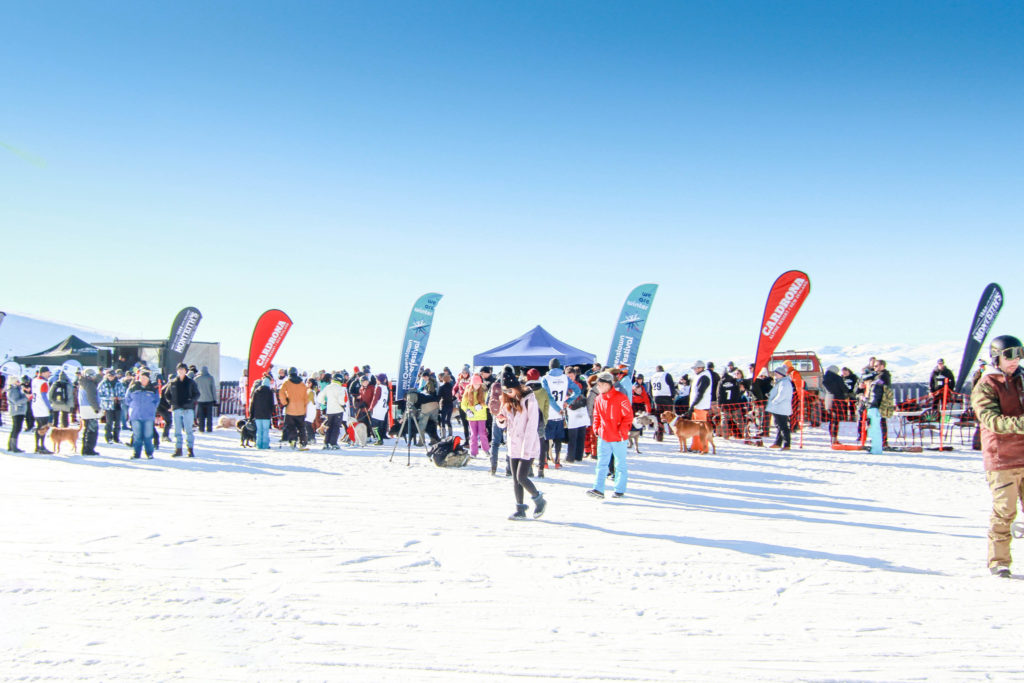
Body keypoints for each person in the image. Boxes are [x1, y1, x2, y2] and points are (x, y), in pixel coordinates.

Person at [972, 334, 1024, 578]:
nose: (1015, 360)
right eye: (1009, 355)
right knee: (1005, 511)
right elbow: (991, 420)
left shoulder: (1022, 379)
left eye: (1019, 354)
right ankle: (999, 561)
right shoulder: (986, 385)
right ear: (997, 357)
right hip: (1002, 459)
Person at [494, 367, 546, 520]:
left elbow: (532, 426)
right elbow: (504, 425)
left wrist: (527, 449)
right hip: (513, 444)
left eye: (510, 391)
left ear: (516, 386)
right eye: (506, 392)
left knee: (522, 477)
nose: (508, 394)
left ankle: (539, 500)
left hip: (527, 444)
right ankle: (520, 508)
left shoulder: (530, 400)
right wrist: (501, 420)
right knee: (515, 479)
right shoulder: (507, 400)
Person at [588, 371, 632, 499]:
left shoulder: (621, 397)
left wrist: (621, 431)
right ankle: (598, 489)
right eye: (597, 385)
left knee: (620, 464)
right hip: (604, 436)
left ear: (608, 384)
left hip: (619, 438)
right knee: (601, 463)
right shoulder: (599, 399)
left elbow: (628, 417)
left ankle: (619, 489)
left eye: (600, 385)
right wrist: (596, 429)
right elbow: (596, 415)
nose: (598, 387)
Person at [541, 358, 579, 470]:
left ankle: (545, 461)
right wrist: (567, 402)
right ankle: (557, 462)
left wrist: (557, 408)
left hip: (549, 413)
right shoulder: (565, 378)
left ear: (550, 367)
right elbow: (577, 391)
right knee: (558, 439)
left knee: (546, 439)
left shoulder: (545, 379)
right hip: (560, 414)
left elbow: (548, 396)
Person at [166, 362, 200, 457]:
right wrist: (171, 403)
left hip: (188, 409)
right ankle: (178, 449)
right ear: (177, 371)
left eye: (183, 369)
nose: (181, 371)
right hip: (177, 409)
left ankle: (190, 449)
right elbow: (167, 394)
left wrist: (191, 401)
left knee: (189, 430)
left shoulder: (191, 382)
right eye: (179, 369)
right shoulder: (173, 382)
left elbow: (197, 394)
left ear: (186, 371)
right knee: (177, 430)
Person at [125, 371, 160, 459]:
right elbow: (127, 400)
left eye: (145, 378)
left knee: (148, 436)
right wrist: (134, 407)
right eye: (142, 377)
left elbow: (157, 401)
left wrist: (151, 409)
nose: (143, 379)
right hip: (135, 415)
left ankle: (149, 453)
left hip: (148, 416)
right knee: (137, 436)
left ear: (148, 379)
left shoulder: (153, 389)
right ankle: (136, 453)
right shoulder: (133, 388)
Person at [278, 366, 309, 450]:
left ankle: (293, 440)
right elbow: (306, 398)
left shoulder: (287, 383)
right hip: (301, 410)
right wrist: (304, 408)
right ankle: (303, 442)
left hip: (290, 410)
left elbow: (281, 393)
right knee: (301, 427)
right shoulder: (302, 384)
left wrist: (285, 402)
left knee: (291, 426)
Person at [461, 374, 490, 458]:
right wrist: (467, 411)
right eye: (475, 384)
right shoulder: (467, 392)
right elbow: (463, 404)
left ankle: (486, 449)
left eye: (478, 384)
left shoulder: (484, 391)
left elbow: (488, 402)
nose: (477, 386)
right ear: (472, 384)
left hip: (481, 416)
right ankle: (473, 452)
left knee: (482, 434)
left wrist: (481, 406)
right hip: (472, 417)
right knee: (473, 434)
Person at [316, 373, 348, 450]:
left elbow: (320, 397)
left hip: (329, 411)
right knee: (336, 427)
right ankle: (333, 443)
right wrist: (343, 404)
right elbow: (341, 400)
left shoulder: (328, 387)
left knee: (329, 427)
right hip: (338, 410)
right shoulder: (340, 388)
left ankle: (326, 443)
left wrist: (324, 402)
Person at [687, 361, 713, 452]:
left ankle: (703, 448)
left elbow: (700, 393)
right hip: (697, 407)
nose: (694, 370)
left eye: (695, 368)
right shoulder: (699, 376)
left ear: (700, 368)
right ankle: (695, 446)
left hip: (701, 407)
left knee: (701, 430)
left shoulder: (704, 377)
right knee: (695, 429)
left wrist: (693, 404)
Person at [76, 369, 103, 456]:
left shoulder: (83, 383)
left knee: (87, 429)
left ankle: (85, 448)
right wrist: (97, 408)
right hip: (90, 408)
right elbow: (91, 397)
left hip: (83, 408)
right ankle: (89, 449)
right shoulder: (89, 384)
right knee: (92, 430)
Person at [766, 367, 793, 450]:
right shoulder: (781, 382)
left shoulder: (784, 383)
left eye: (776, 373)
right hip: (778, 407)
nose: (775, 375)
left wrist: (774, 401)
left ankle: (787, 444)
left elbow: (781, 395)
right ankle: (778, 443)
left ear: (781, 374)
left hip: (781, 407)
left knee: (783, 426)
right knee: (779, 426)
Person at [98, 369, 126, 444]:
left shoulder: (119, 383)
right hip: (108, 406)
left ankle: (116, 438)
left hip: (117, 405)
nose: (111, 377)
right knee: (109, 422)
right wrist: (109, 398)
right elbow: (99, 395)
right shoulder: (103, 384)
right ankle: (108, 437)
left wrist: (120, 397)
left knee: (117, 423)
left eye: (112, 375)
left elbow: (123, 393)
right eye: (109, 375)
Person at [30, 367, 53, 454]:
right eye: (48, 372)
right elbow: (44, 396)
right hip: (42, 408)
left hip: (35, 407)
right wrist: (49, 407)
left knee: (38, 427)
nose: (49, 374)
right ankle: (42, 446)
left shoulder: (34, 380)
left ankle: (37, 446)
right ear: (43, 373)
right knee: (43, 428)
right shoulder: (43, 383)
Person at [649, 365, 676, 439]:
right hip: (667, 397)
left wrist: (653, 398)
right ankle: (671, 430)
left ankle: (659, 434)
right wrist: (673, 396)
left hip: (656, 398)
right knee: (669, 415)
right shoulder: (666, 375)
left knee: (659, 417)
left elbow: (649, 390)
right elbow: (672, 386)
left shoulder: (652, 376)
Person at [6, 375, 29, 453]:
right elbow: (16, 401)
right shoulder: (12, 390)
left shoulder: (16, 389)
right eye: (17, 381)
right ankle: (13, 446)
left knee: (15, 428)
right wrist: (26, 398)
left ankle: (11, 446)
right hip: (17, 411)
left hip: (19, 411)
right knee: (17, 428)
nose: (19, 382)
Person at [250, 378, 275, 449]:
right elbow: (271, 404)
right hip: (266, 415)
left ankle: (258, 445)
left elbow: (252, 404)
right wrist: (271, 412)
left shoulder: (256, 391)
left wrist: (251, 415)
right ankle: (265, 445)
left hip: (257, 415)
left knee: (259, 430)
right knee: (265, 431)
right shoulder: (270, 392)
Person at [194, 366, 218, 433]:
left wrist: (195, 398)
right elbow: (213, 389)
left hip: (200, 400)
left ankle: (201, 428)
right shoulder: (210, 378)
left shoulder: (196, 379)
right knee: (209, 416)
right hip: (209, 399)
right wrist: (214, 399)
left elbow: (194, 389)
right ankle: (209, 428)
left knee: (201, 416)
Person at [370, 373, 391, 445]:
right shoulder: (386, 388)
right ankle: (380, 439)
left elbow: (375, 399)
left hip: (377, 409)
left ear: (379, 380)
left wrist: (371, 407)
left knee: (374, 426)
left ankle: (379, 440)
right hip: (383, 409)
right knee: (381, 426)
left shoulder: (379, 387)